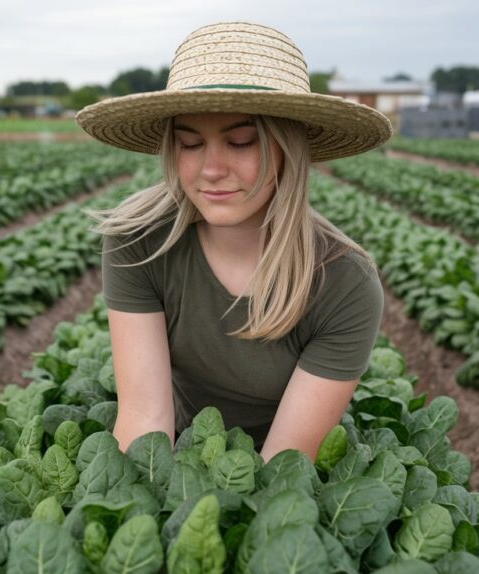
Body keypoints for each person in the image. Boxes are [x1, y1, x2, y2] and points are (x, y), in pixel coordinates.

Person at [76, 21, 391, 463]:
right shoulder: (138, 239)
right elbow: (145, 417)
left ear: (289, 149)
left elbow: (285, 463)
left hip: (282, 468)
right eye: (190, 143)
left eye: (241, 142)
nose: (211, 168)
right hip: (183, 450)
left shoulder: (345, 283)